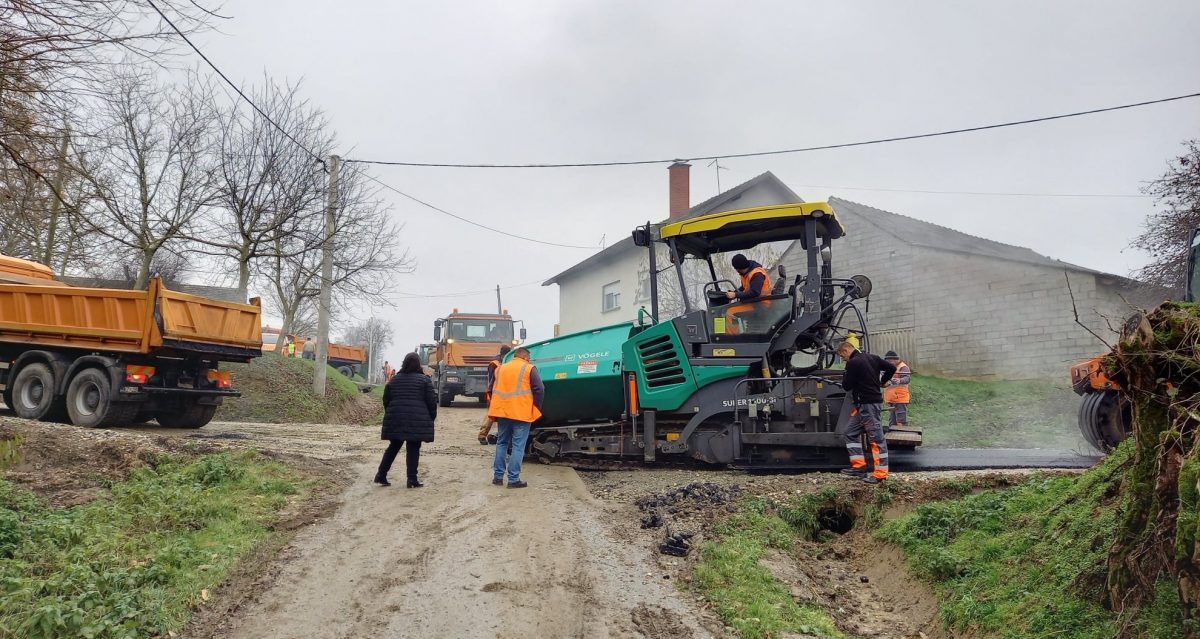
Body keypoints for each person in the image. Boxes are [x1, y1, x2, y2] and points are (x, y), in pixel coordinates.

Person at [836, 341, 896, 484]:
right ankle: (859, 466)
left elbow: (846, 386)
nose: (843, 359)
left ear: (845, 351)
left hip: (868, 405)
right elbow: (891, 368)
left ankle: (880, 474)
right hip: (864, 405)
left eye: (842, 356)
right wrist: (882, 381)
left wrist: (846, 372)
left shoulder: (853, 363)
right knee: (849, 432)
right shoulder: (872, 357)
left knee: (876, 439)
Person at [375, 353, 436, 488]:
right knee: (413, 448)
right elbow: (431, 401)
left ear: (404, 363)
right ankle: (412, 479)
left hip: (397, 418)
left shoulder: (394, 380)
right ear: (418, 364)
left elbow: (386, 400)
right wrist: (431, 417)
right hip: (417, 420)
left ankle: (381, 475)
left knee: (394, 446)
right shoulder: (424, 381)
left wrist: (392, 413)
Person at [487, 346, 543, 488]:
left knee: (501, 443)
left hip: (502, 412)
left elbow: (490, 389)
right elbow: (540, 389)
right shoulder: (529, 368)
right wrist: (536, 408)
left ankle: (497, 477)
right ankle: (513, 479)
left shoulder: (500, 369)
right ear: (525, 357)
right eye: (528, 358)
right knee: (518, 446)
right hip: (521, 412)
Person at [723, 254, 772, 334]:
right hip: (754, 302)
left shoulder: (757, 274)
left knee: (730, 312)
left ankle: (731, 339)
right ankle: (736, 335)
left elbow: (755, 292)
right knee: (729, 308)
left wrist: (736, 295)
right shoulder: (747, 273)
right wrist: (734, 292)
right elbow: (744, 287)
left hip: (761, 304)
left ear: (738, 268)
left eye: (736, 268)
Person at [478, 345, 512, 445]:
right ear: (506, 354)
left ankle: (486, 435)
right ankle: (483, 435)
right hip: (498, 393)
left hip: (497, 392)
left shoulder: (495, 363)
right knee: (492, 415)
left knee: (493, 414)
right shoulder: (497, 364)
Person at [882, 351, 911, 431]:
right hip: (892, 399)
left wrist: (899, 380)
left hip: (900, 398)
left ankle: (902, 436)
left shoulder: (903, 367)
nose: (887, 363)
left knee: (901, 420)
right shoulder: (890, 368)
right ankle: (893, 437)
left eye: (889, 361)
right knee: (892, 421)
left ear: (894, 360)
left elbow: (907, 378)